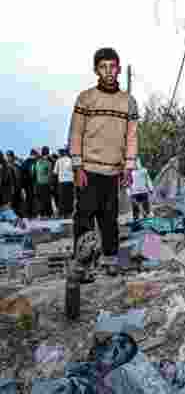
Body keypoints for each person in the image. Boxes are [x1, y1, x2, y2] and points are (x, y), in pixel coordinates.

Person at [68, 48, 140, 281]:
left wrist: (128, 167)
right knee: (84, 217)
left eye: (113, 66)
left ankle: (110, 261)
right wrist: (77, 167)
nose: (109, 71)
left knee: (109, 219)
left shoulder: (128, 102)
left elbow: (131, 137)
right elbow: (76, 133)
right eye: (103, 67)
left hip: (113, 171)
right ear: (96, 70)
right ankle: (82, 265)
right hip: (88, 170)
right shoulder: (86, 98)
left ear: (119, 68)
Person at [54, 149, 75, 218]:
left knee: (62, 198)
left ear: (60, 154)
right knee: (69, 198)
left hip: (62, 181)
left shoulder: (58, 161)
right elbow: (74, 169)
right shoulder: (71, 160)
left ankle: (62, 213)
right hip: (70, 181)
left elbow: (55, 172)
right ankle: (69, 213)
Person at [33, 146, 54, 218]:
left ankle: (41, 214)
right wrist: (51, 184)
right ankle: (48, 214)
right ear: (47, 153)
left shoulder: (37, 162)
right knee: (47, 199)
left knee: (40, 200)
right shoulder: (49, 163)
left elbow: (34, 172)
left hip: (38, 183)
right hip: (46, 183)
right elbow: (50, 174)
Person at [20, 150, 37, 218]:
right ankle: (32, 213)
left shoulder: (25, 162)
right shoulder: (35, 162)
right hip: (32, 183)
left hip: (26, 183)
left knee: (28, 198)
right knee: (33, 198)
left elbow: (21, 173)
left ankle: (28, 213)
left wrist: (22, 185)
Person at [6, 151, 23, 217]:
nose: (9, 158)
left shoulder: (17, 166)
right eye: (8, 156)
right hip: (9, 190)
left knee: (18, 205)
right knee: (11, 206)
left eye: (10, 156)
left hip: (17, 189)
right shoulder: (5, 167)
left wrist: (21, 189)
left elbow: (20, 178)